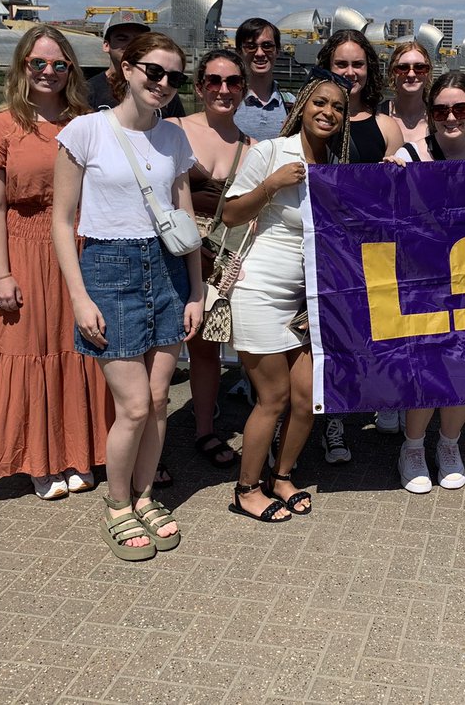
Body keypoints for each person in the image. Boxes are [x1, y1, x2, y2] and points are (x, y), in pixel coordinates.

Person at [52, 31, 202, 561]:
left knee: (161, 400)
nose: (162, 83)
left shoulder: (175, 138)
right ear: (127, 69)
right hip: (108, 269)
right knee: (134, 406)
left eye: (174, 77)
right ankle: (118, 505)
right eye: (152, 71)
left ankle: (145, 494)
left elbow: (185, 219)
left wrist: (197, 290)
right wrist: (78, 297)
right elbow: (62, 220)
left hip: (166, 271)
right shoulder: (86, 130)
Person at [0, 26, 114, 501]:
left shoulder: (85, 122)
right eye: (38, 64)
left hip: (79, 248)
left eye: (59, 64)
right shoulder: (2, 125)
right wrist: (1, 272)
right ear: (22, 67)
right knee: (28, 349)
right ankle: (37, 461)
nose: (48, 72)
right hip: (25, 250)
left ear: (72, 69)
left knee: (80, 349)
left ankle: (78, 451)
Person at [220, 70, 352, 521]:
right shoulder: (271, 152)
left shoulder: (336, 168)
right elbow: (231, 214)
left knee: (307, 396)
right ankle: (246, 490)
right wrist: (272, 184)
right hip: (259, 290)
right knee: (272, 398)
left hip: (307, 300)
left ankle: (282, 475)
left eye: (337, 106)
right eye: (320, 102)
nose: (327, 112)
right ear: (302, 107)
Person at [382, 71, 465, 492]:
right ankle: (412, 448)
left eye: (460, 109)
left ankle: (449, 445)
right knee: (425, 369)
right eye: (441, 110)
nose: (451, 117)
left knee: (464, 371)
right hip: (422, 282)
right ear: (431, 116)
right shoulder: (410, 158)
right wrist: (385, 179)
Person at [315, 30, 405, 461]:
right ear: (327, 68)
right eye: (340, 64)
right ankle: (332, 420)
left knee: (372, 331)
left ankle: (379, 401)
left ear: (369, 71)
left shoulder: (386, 126)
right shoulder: (312, 119)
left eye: (357, 64)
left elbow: (402, 198)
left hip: (372, 248)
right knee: (328, 333)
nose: (349, 72)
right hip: (324, 246)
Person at [167, 48, 252, 472]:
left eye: (233, 82)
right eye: (214, 81)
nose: (224, 90)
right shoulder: (171, 129)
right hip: (170, 254)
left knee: (205, 352)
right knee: (159, 351)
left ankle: (204, 429)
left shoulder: (252, 146)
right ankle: (152, 442)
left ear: (244, 89)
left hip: (218, 259)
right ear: (199, 86)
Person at [372, 40, 434, 434]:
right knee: (388, 319)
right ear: (392, 72)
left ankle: (416, 395)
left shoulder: (447, 113)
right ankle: (388, 395)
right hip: (386, 233)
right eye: (403, 67)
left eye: (419, 67)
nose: (411, 74)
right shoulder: (376, 117)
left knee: (424, 323)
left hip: (431, 237)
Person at [87, 11, 186, 119]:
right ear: (106, 45)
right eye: (122, 38)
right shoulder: (88, 90)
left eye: (139, 39)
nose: (131, 44)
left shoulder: (162, 89)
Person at [234, 17, 295, 141]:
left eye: (267, 46)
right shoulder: (229, 102)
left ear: (277, 51)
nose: (260, 53)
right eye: (251, 46)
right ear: (239, 51)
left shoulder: (292, 104)